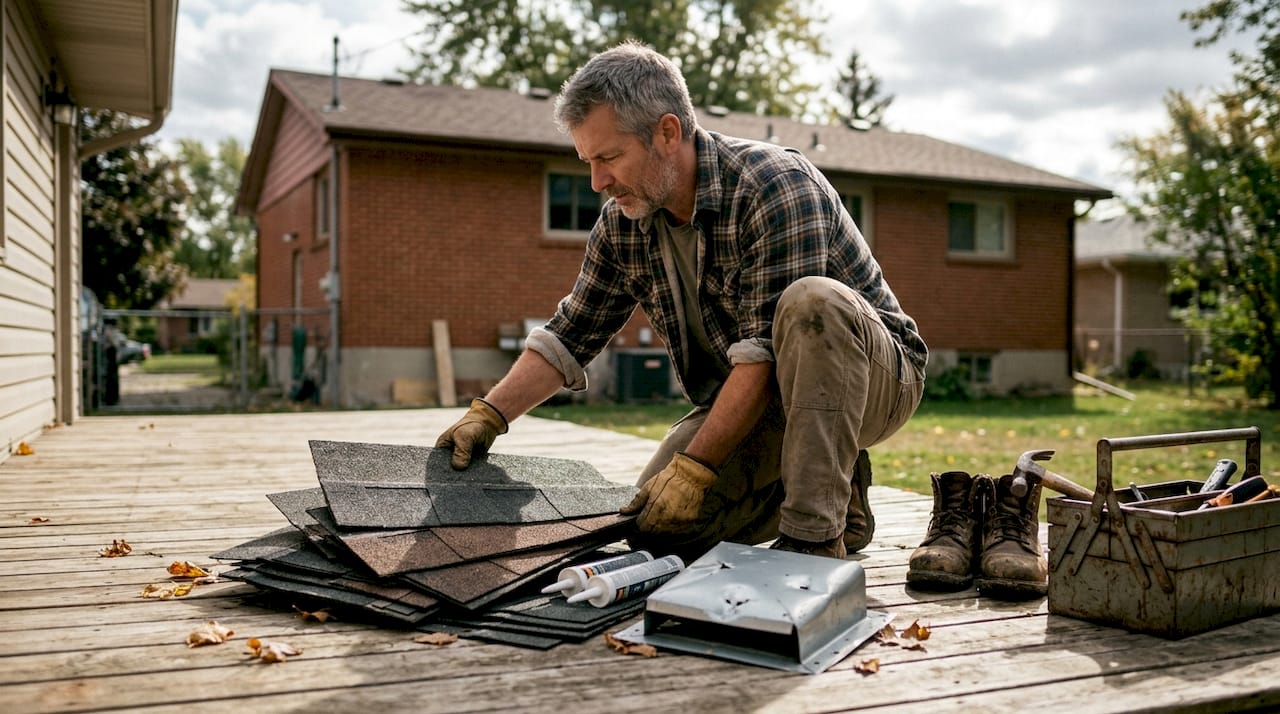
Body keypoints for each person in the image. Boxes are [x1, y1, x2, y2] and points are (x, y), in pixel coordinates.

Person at [437, 41, 927, 561]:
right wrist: (488, 415)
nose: (598, 182)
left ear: (668, 133)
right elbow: (570, 333)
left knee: (813, 302)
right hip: (760, 396)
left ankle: (814, 535)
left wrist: (697, 467)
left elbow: (763, 355)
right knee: (653, 529)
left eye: (609, 158)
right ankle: (839, 484)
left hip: (874, 379)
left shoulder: (774, 186)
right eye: (587, 161)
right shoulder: (624, 223)